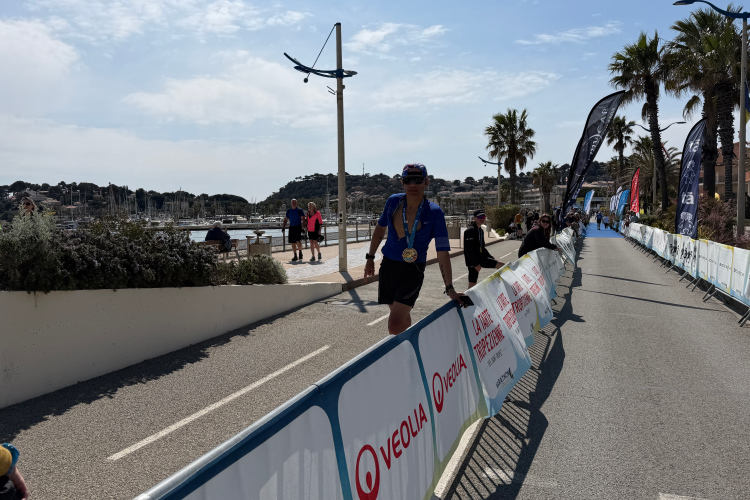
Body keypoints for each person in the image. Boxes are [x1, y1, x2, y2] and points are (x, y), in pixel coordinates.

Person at [364, 163, 466, 335]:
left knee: (394, 325)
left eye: (418, 180)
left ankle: (404, 350)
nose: (413, 184)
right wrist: (370, 258)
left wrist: (449, 287)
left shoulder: (435, 213)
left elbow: (442, 252)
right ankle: (412, 342)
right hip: (388, 266)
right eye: (408, 180)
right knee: (401, 319)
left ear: (426, 182)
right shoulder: (393, 202)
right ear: (402, 183)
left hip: (413, 270)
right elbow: (380, 229)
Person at [463, 209, 505, 288]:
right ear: (474, 218)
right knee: (472, 283)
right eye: (480, 217)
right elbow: (468, 250)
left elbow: (483, 248)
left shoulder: (480, 230)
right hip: (473, 261)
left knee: (472, 284)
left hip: (481, 258)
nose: (482, 219)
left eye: (483, 217)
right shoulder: (470, 231)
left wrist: (492, 258)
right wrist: (475, 264)